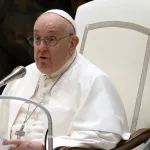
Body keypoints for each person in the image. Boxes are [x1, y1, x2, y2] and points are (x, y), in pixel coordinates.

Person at [0, 9, 130, 150]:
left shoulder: (94, 80)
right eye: (37, 38)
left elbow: (104, 135)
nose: (41, 48)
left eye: (51, 39)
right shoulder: (23, 74)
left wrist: (46, 146)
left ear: (72, 44)